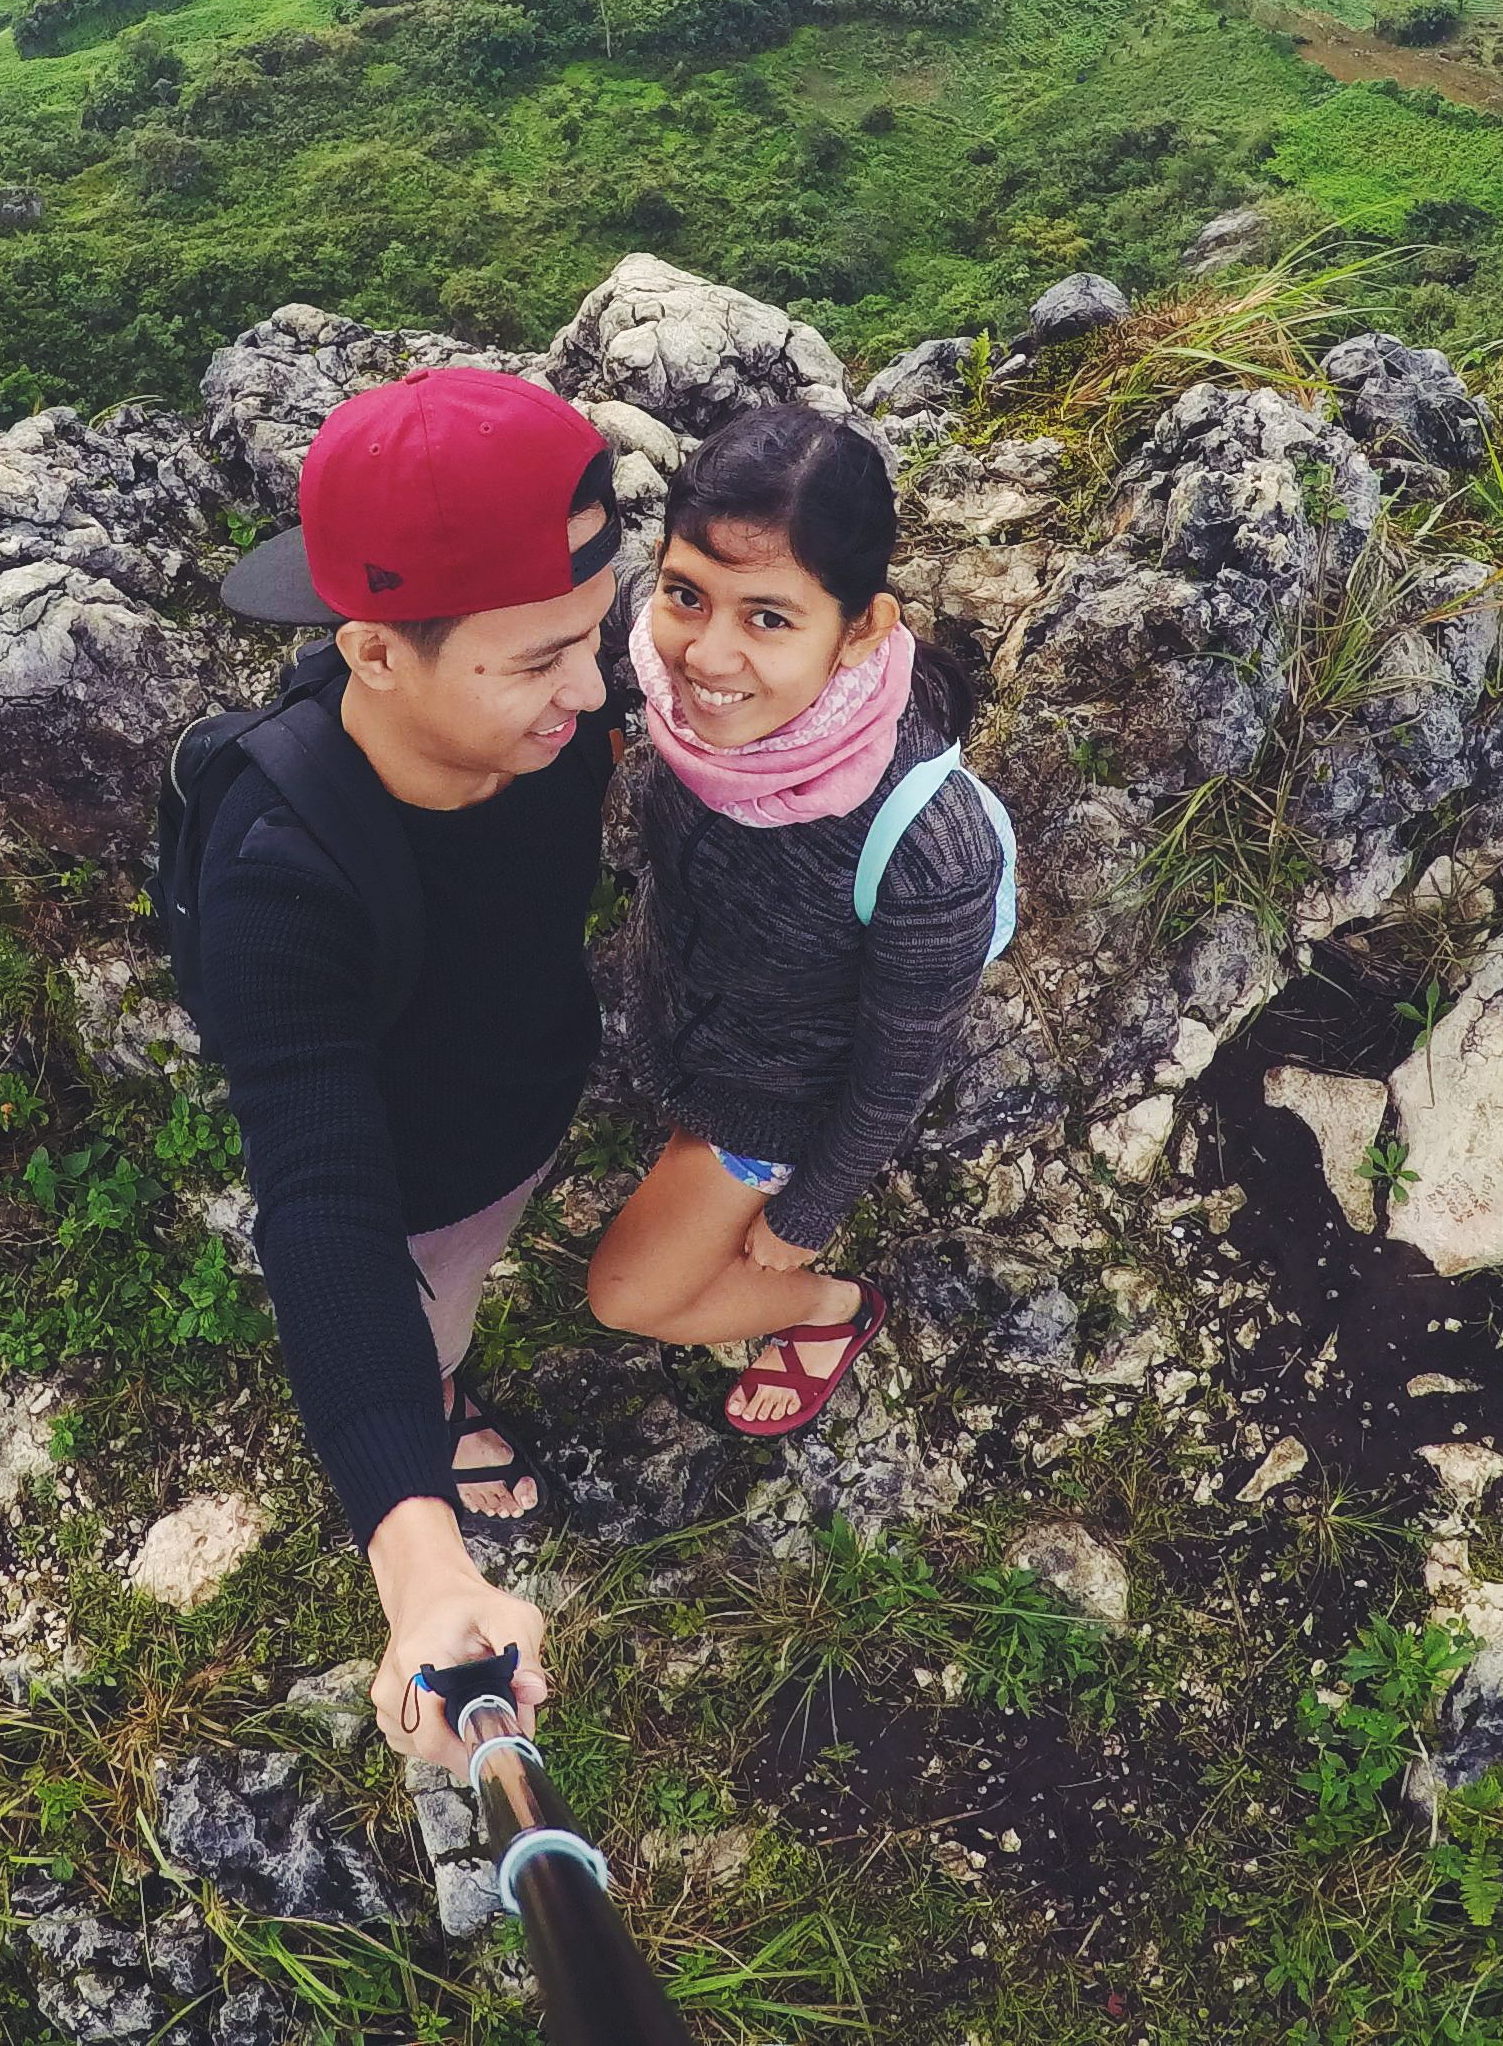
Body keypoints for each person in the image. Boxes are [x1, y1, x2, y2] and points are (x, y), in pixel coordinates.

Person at [183, 366, 627, 1773]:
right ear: (376, 653)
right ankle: (436, 1402)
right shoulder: (282, 877)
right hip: (420, 1177)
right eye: (540, 658)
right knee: (428, 1309)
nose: (596, 689)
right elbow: (325, 1207)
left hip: (531, 1091)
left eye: (595, 636)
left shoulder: (554, 719)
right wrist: (424, 1568)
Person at [584, 404, 1013, 1437]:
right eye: (689, 594)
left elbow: (899, 1062)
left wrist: (808, 1213)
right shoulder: (657, 656)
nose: (708, 657)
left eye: (769, 617)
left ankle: (833, 1313)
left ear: (862, 626)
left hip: (771, 1095)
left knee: (627, 1295)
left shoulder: (925, 847)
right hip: (671, 997)